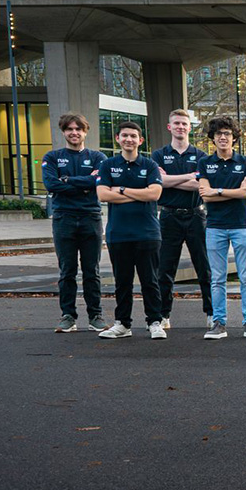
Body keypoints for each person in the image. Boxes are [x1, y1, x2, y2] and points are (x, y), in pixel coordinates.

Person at [95, 122, 165, 340]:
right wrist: (139, 192)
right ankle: (123, 324)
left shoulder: (150, 165)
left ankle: (155, 321)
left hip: (147, 233)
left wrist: (123, 189)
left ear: (140, 140)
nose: (129, 139)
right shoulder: (108, 165)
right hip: (119, 233)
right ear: (118, 138)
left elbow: (154, 194)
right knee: (122, 282)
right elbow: (103, 195)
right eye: (125, 135)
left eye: (133, 136)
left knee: (150, 281)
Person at [42, 113, 109, 333]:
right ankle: (68, 316)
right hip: (64, 219)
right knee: (67, 271)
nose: (74, 133)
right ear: (63, 132)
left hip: (90, 218)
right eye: (70, 129)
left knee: (92, 271)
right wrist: (84, 184)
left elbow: (99, 182)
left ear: (85, 132)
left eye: (78, 129)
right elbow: (51, 185)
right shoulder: (52, 157)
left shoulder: (98, 157)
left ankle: (95, 316)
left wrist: (68, 180)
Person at [196, 117, 246, 341]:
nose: (223, 137)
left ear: (234, 137)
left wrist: (218, 191)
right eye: (218, 134)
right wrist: (230, 191)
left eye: (227, 133)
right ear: (213, 138)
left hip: (242, 225)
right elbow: (205, 194)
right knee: (217, 278)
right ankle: (219, 323)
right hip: (215, 227)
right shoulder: (205, 163)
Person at [152, 109, 212, 329]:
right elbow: (160, 182)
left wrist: (170, 179)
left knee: (204, 268)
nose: (180, 127)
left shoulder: (201, 156)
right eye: (176, 123)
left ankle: (212, 313)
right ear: (170, 127)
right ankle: (163, 315)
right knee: (165, 268)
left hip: (196, 215)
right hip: (169, 216)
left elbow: (202, 185)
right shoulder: (159, 155)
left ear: (189, 127)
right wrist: (189, 176)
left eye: (184, 124)